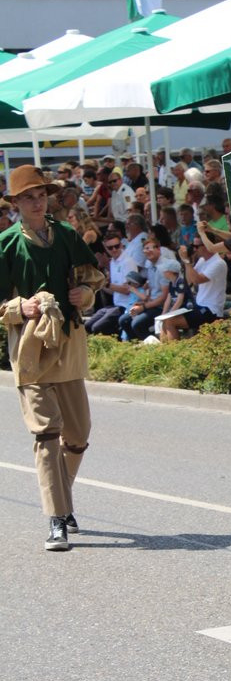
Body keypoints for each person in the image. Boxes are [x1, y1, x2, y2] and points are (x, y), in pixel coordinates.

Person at [0, 165, 105, 550]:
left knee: (77, 435)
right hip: (30, 350)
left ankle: (62, 497)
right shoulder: (7, 243)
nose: (36, 201)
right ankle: (56, 518)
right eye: (28, 196)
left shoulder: (66, 235)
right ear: (14, 203)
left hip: (69, 344)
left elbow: (92, 278)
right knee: (47, 432)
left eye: (41, 194)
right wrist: (18, 307)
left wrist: (86, 296)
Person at [178, 231, 228, 330]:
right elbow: (190, 281)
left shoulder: (218, 263)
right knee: (167, 321)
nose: (194, 249)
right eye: (193, 246)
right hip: (200, 306)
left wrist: (187, 262)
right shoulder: (201, 261)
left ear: (206, 246)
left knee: (171, 322)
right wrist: (188, 261)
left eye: (196, 246)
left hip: (211, 310)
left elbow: (197, 280)